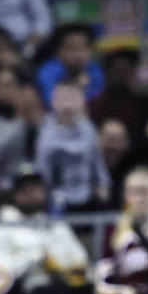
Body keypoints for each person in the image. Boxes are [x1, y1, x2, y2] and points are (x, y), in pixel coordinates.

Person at [0, 164, 89, 294]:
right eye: (26, 189)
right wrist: (36, 258)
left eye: (36, 188)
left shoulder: (56, 225)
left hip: (66, 287)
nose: (32, 193)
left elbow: (80, 257)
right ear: (16, 194)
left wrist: (64, 268)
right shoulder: (1, 228)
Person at [35, 82, 111, 213]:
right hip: (57, 199)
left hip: (87, 195)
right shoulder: (45, 130)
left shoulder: (89, 128)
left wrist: (103, 185)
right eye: (63, 99)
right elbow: (43, 170)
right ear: (53, 102)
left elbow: (98, 164)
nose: (67, 106)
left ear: (82, 103)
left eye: (73, 99)